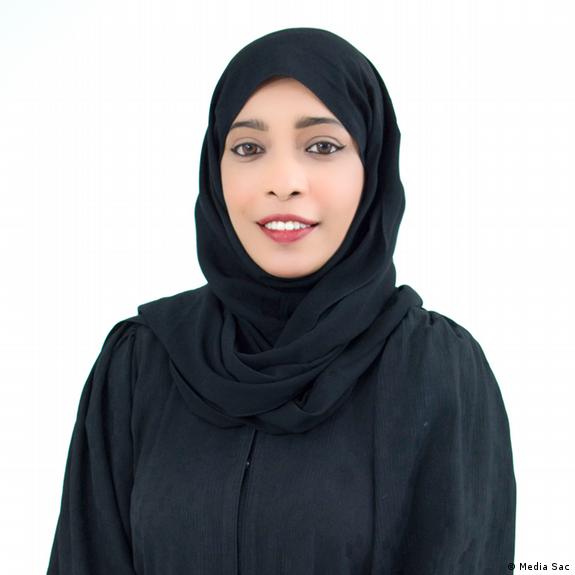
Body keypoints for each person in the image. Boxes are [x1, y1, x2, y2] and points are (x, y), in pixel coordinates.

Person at [47, 27, 516, 574]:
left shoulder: (436, 371)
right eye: (248, 148)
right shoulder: (139, 363)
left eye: (323, 147)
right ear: (215, 169)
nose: (284, 181)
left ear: (372, 165)